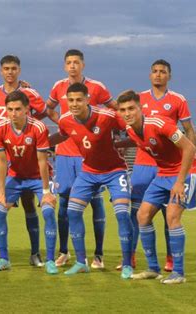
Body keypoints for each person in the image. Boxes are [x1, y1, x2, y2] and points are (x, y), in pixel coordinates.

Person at [0, 55, 57, 267]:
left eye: (13, 68)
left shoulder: (29, 95)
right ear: (1, 71)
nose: (10, 72)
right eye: (6, 68)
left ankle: (38, 254)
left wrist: (27, 127)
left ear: (19, 70)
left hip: (27, 163)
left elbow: (44, 112)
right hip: (0, 162)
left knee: (31, 204)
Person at [50, 83, 133, 278]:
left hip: (115, 171)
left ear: (88, 99)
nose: (75, 104)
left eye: (79, 99)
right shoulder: (65, 120)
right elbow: (61, 136)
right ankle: (81, 262)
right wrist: (40, 143)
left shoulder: (107, 116)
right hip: (88, 171)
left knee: (122, 214)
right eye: (71, 100)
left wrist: (120, 144)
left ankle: (128, 263)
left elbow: (134, 132)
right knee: (72, 212)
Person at [117, 90, 196, 284]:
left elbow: (190, 148)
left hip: (184, 172)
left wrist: (179, 182)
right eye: (123, 110)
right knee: (142, 216)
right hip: (162, 173)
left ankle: (178, 272)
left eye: (131, 108)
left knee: (172, 217)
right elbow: (139, 141)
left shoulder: (160, 124)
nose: (127, 113)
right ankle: (153, 268)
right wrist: (115, 146)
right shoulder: (130, 130)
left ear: (140, 108)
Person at [46, 49, 117, 268]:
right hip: (66, 153)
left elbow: (114, 110)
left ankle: (98, 255)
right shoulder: (58, 86)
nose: (73, 66)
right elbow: (49, 108)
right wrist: (64, 125)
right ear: (65, 66)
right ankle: (65, 251)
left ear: (83, 65)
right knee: (65, 202)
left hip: (89, 155)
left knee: (96, 202)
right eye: (69, 62)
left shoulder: (97, 87)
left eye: (76, 62)